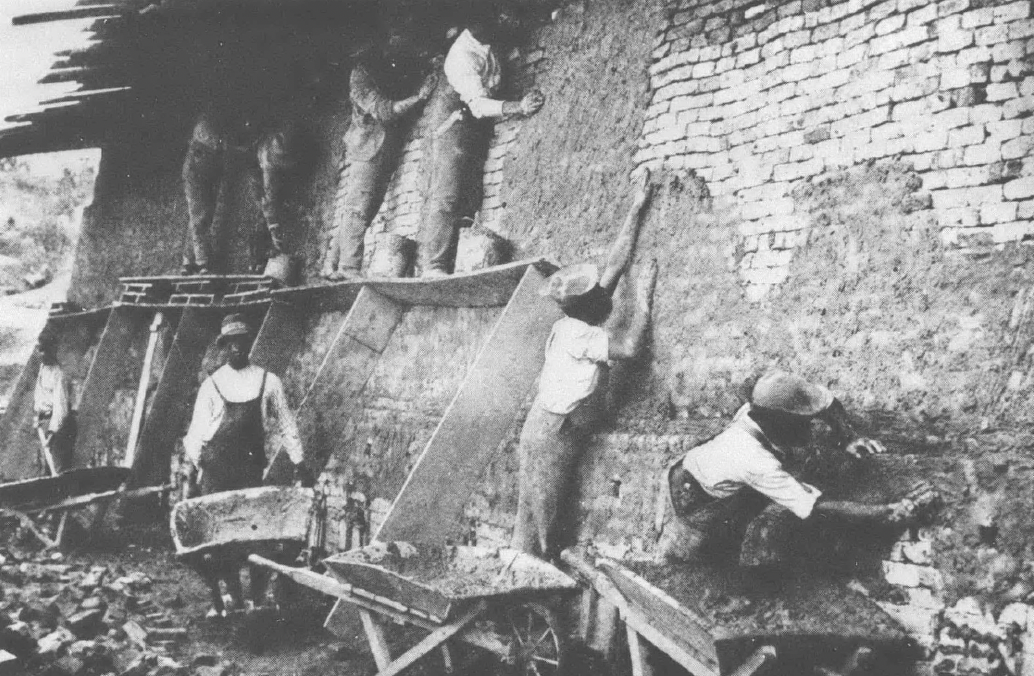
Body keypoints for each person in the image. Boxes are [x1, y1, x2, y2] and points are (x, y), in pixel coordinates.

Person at [511, 170, 658, 559]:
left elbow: (615, 263)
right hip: (549, 433)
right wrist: (644, 298)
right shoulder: (578, 333)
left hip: (551, 423)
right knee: (543, 516)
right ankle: (536, 583)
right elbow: (628, 348)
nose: (604, 288)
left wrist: (636, 208)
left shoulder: (582, 315)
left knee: (538, 512)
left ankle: (528, 572)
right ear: (589, 304)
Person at [656, 370, 939, 569]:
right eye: (801, 423)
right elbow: (816, 506)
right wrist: (887, 512)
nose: (810, 428)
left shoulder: (763, 406)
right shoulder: (752, 459)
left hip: (720, 479)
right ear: (777, 421)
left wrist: (847, 437)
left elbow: (827, 404)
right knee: (694, 573)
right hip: (694, 506)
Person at [181, 313, 309, 617]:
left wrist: (299, 461)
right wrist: (196, 472)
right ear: (223, 347)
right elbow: (196, 434)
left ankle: (255, 598)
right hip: (215, 472)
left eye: (242, 341)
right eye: (230, 343)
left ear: (250, 343)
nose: (237, 348)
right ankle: (234, 599)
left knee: (255, 536)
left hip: (248, 471)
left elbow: (286, 425)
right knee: (220, 540)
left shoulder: (268, 381)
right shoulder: (212, 385)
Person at [419, 6, 545, 277]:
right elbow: (477, 105)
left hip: (474, 126)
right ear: (476, 25)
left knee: (470, 195)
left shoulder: (491, 40)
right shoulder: (461, 55)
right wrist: (518, 107)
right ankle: (434, 265)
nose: (503, 22)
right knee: (447, 192)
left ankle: (462, 261)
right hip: (453, 123)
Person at [322, 31, 437, 280]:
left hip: (384, 146)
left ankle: (330, 265)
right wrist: (419, 98)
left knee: (367, 208)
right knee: (358, 209)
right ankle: (348, 268)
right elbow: (384, 111)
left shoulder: (384, 67)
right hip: (366, 147)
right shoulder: (360, 78)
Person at [181, 111, 297, 276]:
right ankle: (202, 264)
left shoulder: (265, 150)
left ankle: (188, 261)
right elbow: (267, 197)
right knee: (199, 215)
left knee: (201, 215)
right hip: (196, 172)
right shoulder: (207, 128)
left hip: (210, 172)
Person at [33, 332, 75, 475]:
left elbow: (60, 408)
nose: (42, 354)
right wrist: (37, 416)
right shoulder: (43, 369)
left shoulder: (59, 375)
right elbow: (40, 395)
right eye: (40, 349)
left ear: (53, 350)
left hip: (58, 427)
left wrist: (52, 433)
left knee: (58, 470)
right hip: (45, 423)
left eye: (45, 350)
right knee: (45, 469)